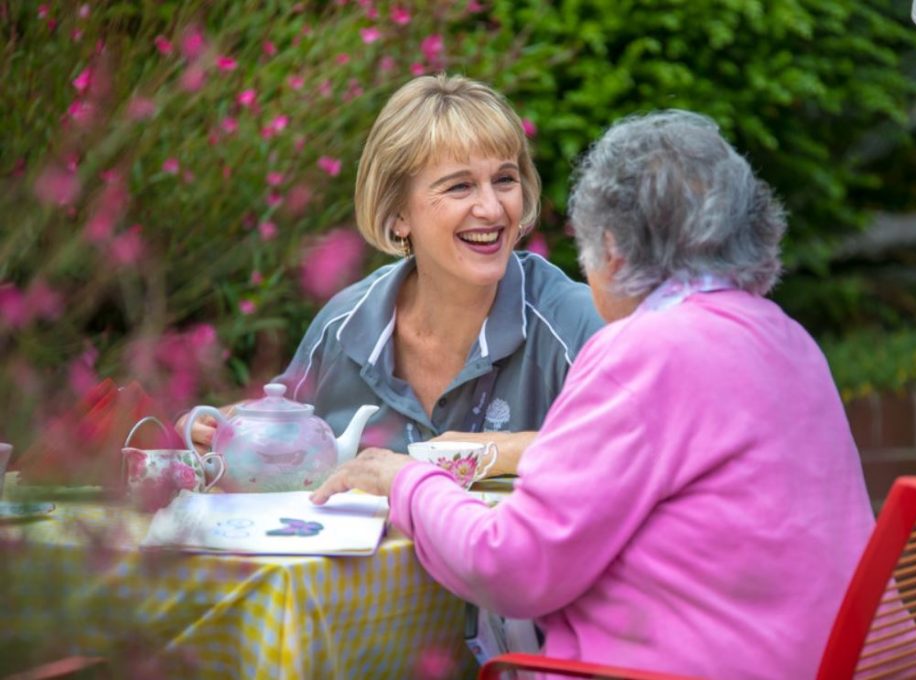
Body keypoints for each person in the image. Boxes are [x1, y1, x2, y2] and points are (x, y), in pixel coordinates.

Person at [311, 110, 878, 677]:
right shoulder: (785, 336)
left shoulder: (646, 352)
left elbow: (512, 566)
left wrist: (403, 479)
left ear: (612, 249)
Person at [180, 74, 604, 474]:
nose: (492, 209)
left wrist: (492, 453)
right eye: (460, 186)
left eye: (505, 179)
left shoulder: (575, 322)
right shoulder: (344, 326)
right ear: (399, 213)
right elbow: (274, 441)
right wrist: (210, 433)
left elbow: (649, 440)